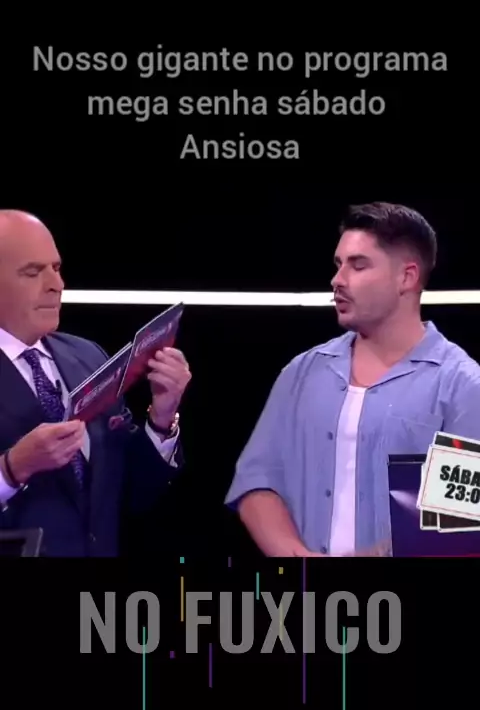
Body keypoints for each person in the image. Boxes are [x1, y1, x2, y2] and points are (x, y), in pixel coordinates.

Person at [225, 201, 480, 557]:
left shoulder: (463, 386)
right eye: (338, 264)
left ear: (406, 277)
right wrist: (301, 562)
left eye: (358, 265)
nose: (338, 280)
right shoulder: (300, 373)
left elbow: (457, 521)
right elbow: (257, 481)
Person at [0, 210, 191, 556]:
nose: (56, 284)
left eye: (56, 268)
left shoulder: (87, 356)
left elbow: (132, 491)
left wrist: (162, 417)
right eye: (32, 272)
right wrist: (11, 469)